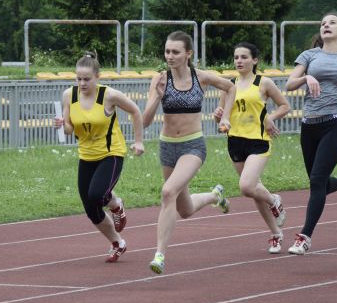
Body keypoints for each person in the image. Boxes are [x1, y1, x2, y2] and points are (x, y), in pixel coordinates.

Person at [142, 30, 237, 274]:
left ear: (188, 54)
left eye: (175, 52)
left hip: (193, 146)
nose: (170, 56)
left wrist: (224, 114)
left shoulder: (201, 77)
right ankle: (215, 196)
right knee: (183, 209)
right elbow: (144, 121)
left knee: (167, 192)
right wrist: (157, 98)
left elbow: (230, 87)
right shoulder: (160, 79)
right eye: (167, 51)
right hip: (167, 147)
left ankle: (159, 255)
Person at [285, 11, 337, 255]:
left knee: (316, 181)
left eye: (332, 22)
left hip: (334, 124)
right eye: (322, 23)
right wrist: (306, 76)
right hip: (309, 125)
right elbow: (290, 83)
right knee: (317, 180)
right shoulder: (309, 55)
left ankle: (305, 236)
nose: (326, 26)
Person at [54, 53, 144, 263]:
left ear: (97, 77)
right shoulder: (69, 95)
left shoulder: (109, 95)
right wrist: (62, 124)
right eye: (79, 79)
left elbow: (135, 111)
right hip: (86, 156)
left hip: (111, 154)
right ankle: (118, 243)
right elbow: (69, 130)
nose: (82, 83)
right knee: (90, 208)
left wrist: (138, 141)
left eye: (87, 79)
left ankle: (116, 204)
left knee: (97, 194)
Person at [213, 42, 291, 254]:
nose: (239, 60)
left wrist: (270, 118)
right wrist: (219, 117)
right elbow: (223, 116)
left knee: (247, 187)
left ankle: (274, 200)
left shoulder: (263, 83)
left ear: (254, 60)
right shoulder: (229, 85)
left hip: (258, 141)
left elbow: (285, 106)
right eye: (236, 57)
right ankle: (276, 234)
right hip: (235, 141)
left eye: (244, 57)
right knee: (255, 192)